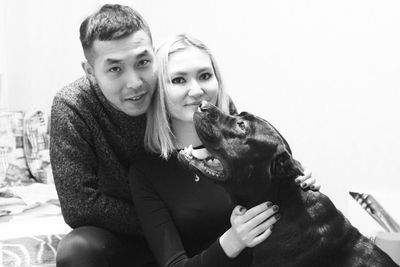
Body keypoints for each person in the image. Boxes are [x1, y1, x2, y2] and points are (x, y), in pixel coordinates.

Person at [129, 34, 320, 267]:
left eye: (205, 76)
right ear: (160, 90)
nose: (197, 90)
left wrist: (305, 191)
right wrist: (234, 240)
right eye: (179, 80)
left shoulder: (250, 139)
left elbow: (295, 222)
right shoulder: (147, 173)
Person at [50, 4, 158, 267]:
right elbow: (80, 205)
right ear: (90, 72)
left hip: (192, 229)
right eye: (115, 69)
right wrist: (162, 223)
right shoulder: (73, 105)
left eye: (143, 62)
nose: (135, 82)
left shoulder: (179, 87)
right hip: (124, 236)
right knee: (77, 250)